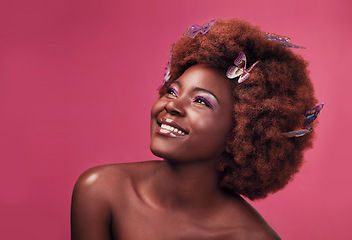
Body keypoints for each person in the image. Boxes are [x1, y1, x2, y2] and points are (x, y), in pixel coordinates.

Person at [71, 18, 322, 240]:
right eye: (172, 91)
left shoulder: (250, 236)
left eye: (201, 101)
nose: (172, 106)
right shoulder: (100, 191)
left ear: (238, 135)